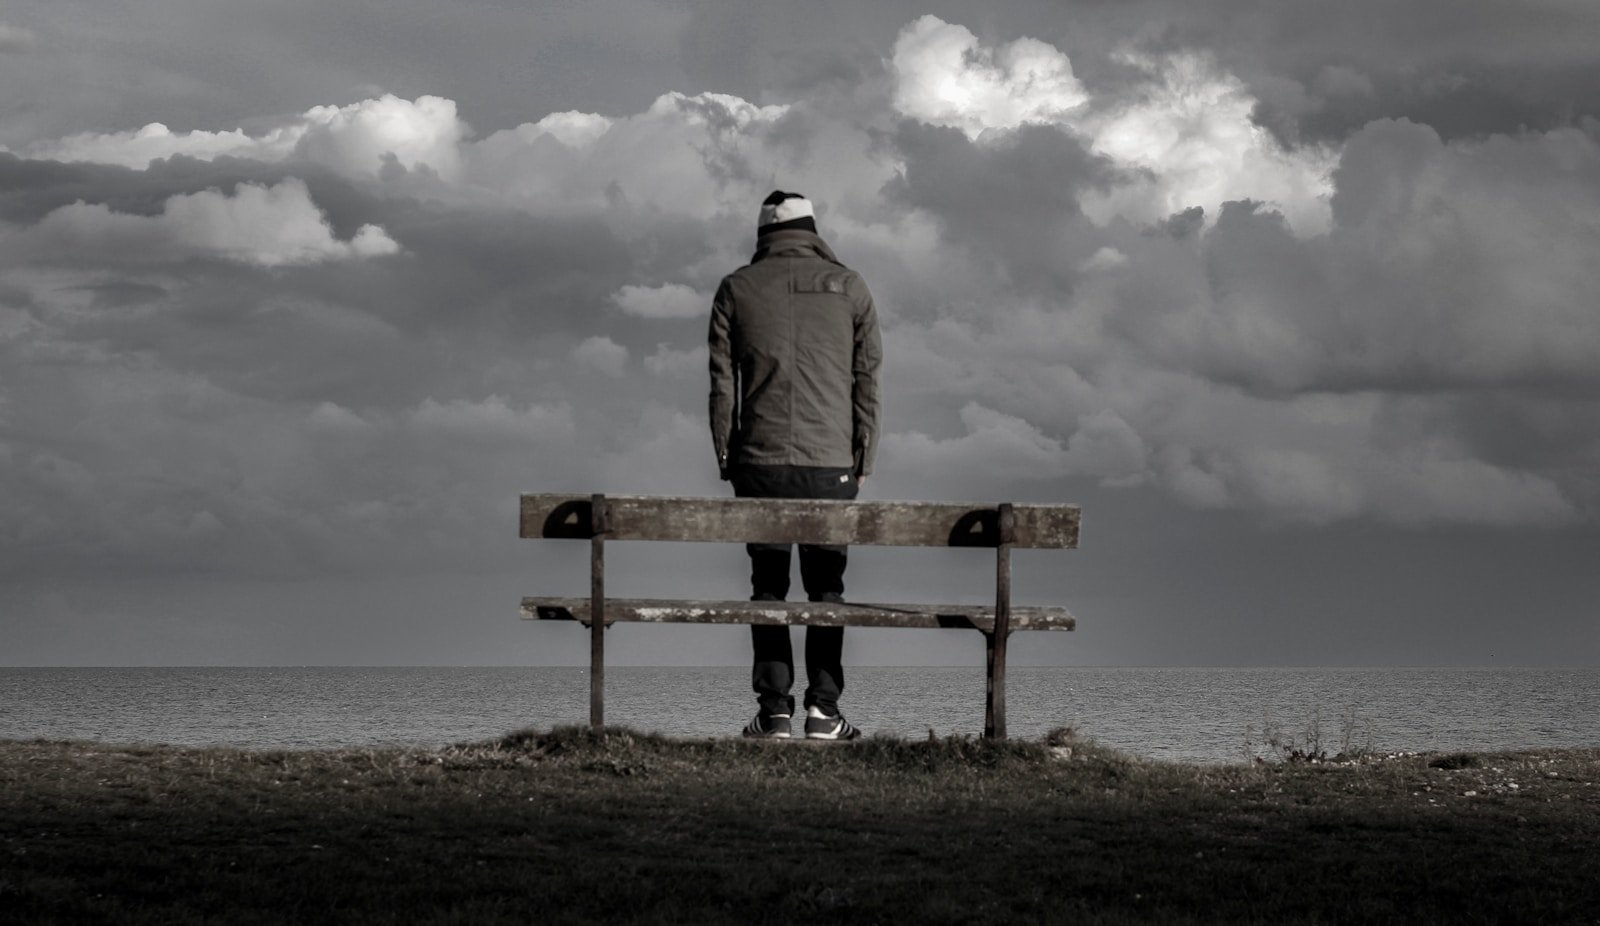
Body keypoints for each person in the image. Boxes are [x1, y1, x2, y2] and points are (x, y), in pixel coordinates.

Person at [708, 190, 882, 741]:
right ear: (813, 227)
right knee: (827, 589)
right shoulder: (850, 286)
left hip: (758, 463)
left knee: (768, 587)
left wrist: (726, 455)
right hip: (830, 464)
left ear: (762, 234)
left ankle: (775, 709)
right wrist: (862, 458)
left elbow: (720, 386)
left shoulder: (736, 287)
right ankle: (824, 712)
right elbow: (867, 382)